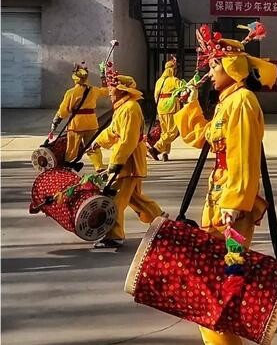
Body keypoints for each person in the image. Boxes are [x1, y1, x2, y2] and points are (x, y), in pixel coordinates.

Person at [175, 29, 277, 345]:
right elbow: (199, 138)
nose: (210, 72)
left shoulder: (243, 102)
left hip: (232, 207)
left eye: (215, 66)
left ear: (232, 69)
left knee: (214, 286)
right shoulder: (226, 102)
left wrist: (235, 201)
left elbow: (244, 156)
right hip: (218, 198)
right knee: (212, 281)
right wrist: (191, 102)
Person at [91, 69, 165, 249]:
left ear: (122, 90)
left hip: (128, 162)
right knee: (134, 198)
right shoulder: (123, 108)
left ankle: (114, 235)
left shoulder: (130, 108)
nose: (109, 92)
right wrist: (97, 142)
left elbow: (128, 140)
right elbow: (114, 132)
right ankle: (162, 223)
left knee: (115, 198)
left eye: (112, 88)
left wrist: (116, 163)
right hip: (127, 160)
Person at [51, 62, 109, 170]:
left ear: (75, 78)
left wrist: (56, 121)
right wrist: (103, 76)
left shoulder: (71, 93)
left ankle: (67, 168)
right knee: (92, 146)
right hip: (91, 123)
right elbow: (106, 91)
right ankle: (99, 166)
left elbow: (63, 111)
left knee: (72, 148)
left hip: (76, 124)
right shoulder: (93, 90)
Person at [149, 57, 183, 161]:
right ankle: (156, 148)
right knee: (173, 131)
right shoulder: (174, 80)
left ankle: (165, 153)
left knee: (165, 131)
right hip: (171, 107)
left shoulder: (159, 81)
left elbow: (155, 96)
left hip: (160, 107)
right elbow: (185, 89)